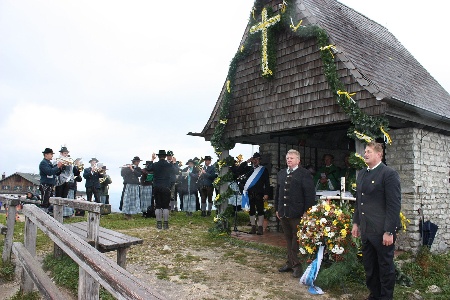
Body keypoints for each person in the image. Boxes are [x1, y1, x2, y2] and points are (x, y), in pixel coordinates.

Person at [352, 142, 401, 300]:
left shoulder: (388, 174)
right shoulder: (362, 174)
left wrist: (389, 231)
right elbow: (359, 201)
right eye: (365, 151)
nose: (365, 154)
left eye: (369, 152)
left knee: (385, 267)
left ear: (379, 154)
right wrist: (356, 223)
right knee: (370, 267)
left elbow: (393, 205)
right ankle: (374, 295)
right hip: (367, 230)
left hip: (382, 231)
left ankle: (386, 297)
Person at [275, 149, 315, 278]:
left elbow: (309, 195)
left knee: (296, 240)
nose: (289, 160)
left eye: (292, 158)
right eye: (287, 158)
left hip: (297, 213)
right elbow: (278, 193)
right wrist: (277, 209)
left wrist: (306, 212)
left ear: (298, 160)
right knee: (288, 239)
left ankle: (296, 265)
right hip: (284, 212)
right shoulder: (281, 173)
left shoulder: (304, 174)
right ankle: (290, 262)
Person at [238, 152, 270, 235]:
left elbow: (267, 183)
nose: (255, 161)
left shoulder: (263, 170)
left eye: (257, 159)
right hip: (250, 193)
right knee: (251, 211)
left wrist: (266, 193)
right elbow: (239, 170)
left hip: (259, 193)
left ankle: (260, 227)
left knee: (260, 210)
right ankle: (253, 227)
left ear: (259, 160)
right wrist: (247, 162)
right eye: (254, 159)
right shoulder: (249, 169)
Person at [145, 150, 177, 229]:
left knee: (158, 206)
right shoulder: (169, 165)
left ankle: (159, 223)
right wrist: (174, 162)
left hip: (157, 187)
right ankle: (165, 224)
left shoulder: (155, 164)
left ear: (158, 157)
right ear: (165, 156)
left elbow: (148, 168)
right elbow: (176, 171)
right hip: (166, 187)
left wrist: (152, 159)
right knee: (166, 206)